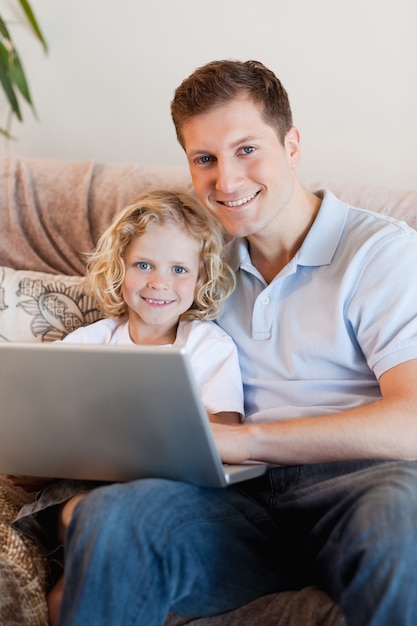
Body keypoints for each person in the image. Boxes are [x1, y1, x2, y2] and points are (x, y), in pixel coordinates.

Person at [56, 60, 417, 626]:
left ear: (291, 144)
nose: (226, 181)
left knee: (402, 516)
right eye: (205, 159)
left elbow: (412, 423)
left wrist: (245, 440)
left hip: (364, 488)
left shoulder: (381, 252)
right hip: (235, 505)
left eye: (247, 149)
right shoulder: (194, 267)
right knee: (115, 517)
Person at [11, 189, 244, 625]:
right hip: (80, 487)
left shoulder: (209, 346)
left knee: (73, 589)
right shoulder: (88, 342)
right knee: (82, 509)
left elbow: (225, 435)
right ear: (119, 270)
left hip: (167, 493)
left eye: (178, 269)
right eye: (143, 265)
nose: (159, 283)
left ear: (201, 278)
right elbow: (46, 427)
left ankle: (87, 587)